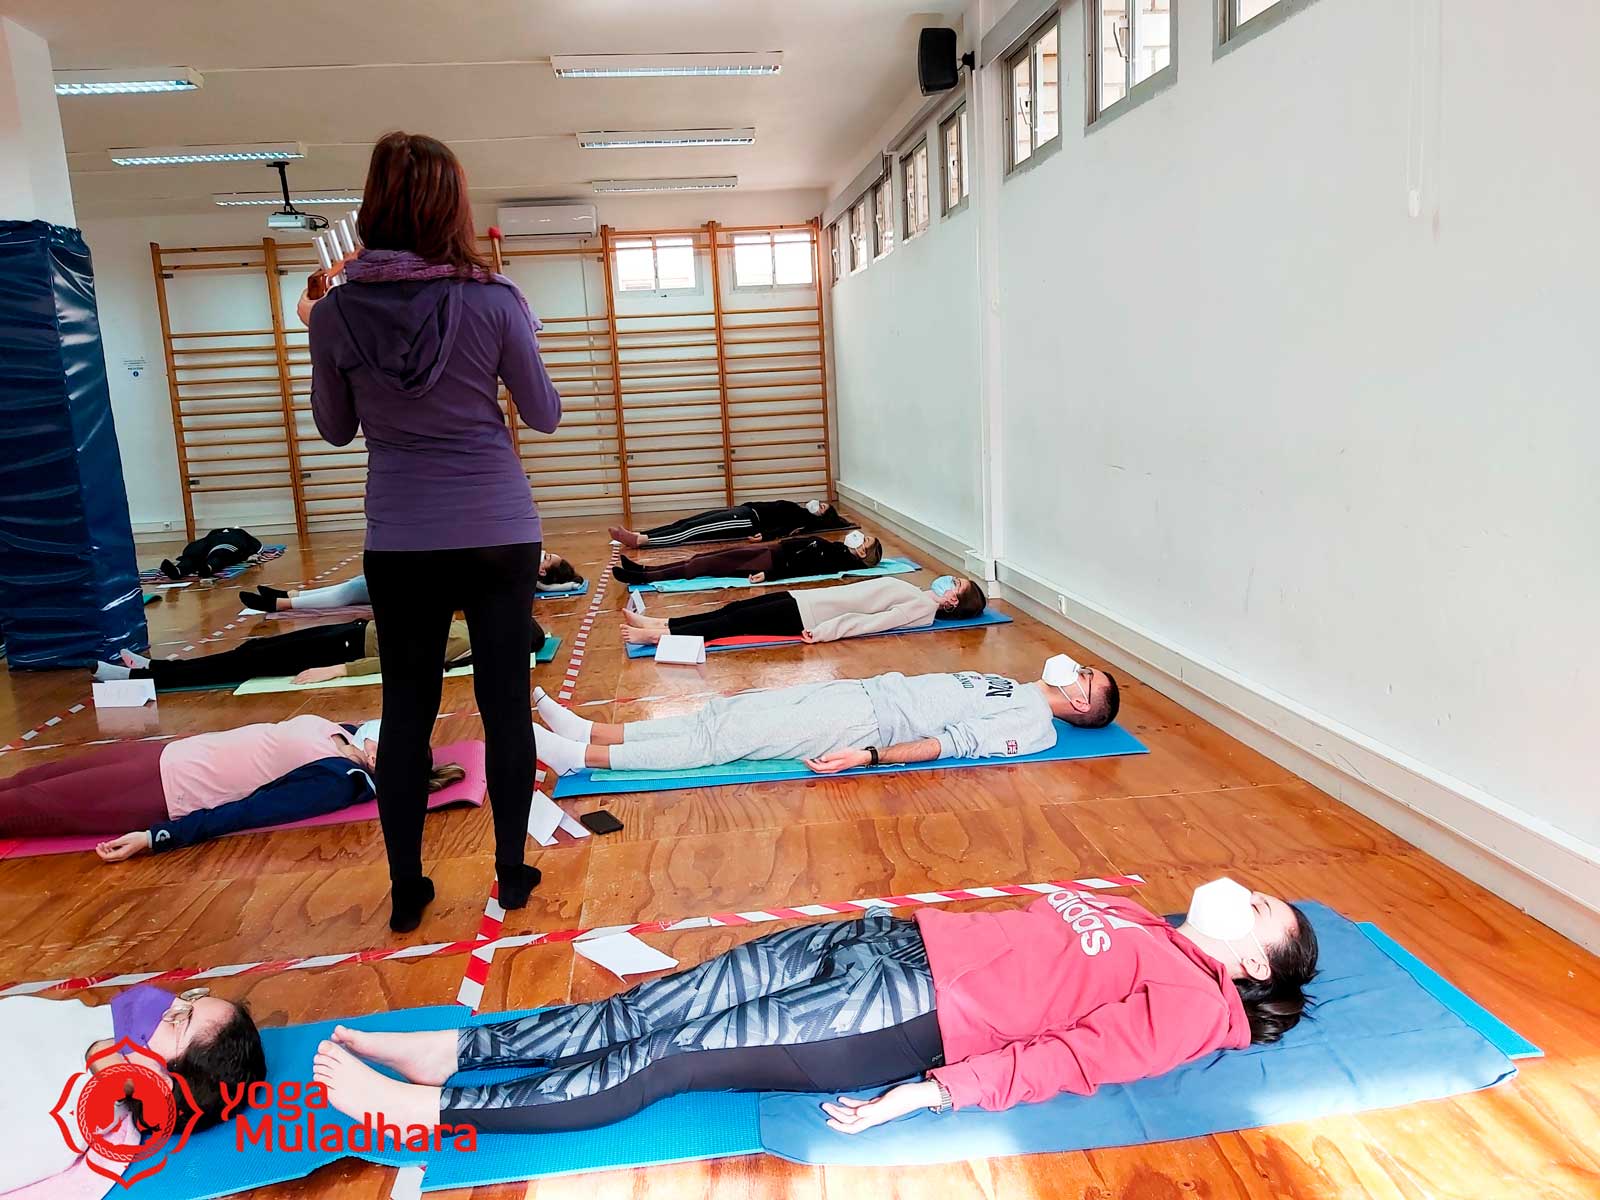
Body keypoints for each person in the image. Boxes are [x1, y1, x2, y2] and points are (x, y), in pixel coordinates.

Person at [310, 879, 1318, 1135]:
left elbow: (1073, 1060)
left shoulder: (1196, 1003)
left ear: (1250, 964)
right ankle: (455, 1050)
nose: (1244, 894)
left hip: (911, 1010)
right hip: (887, 938)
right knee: (654, 1002)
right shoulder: (1142, 920)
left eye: (1261, 911)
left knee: (670, 1054)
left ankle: (423, 1109)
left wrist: (927, 1092)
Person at [303, 131, 562, 932]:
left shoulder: (336, 311)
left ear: (373, 207)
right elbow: (545, 414)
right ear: (453, 208)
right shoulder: (495, 299)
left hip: (402, 537)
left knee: (407, 708)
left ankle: (407, 888)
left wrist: (319, 334)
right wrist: (522, 334)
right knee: (504, 704)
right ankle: (511, 871)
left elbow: (335, 429)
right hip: (497, 530)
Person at [526, 654, 1120, 777]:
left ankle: (579, 759)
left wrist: (870, 756)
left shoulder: (1035, 725)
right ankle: (592, 730)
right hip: (859, 693)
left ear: (1079, 704)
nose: (1078, 669)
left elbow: (955, 744)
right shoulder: (1015, 684)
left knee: (725, 740)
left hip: (862, 727)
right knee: (722, 712)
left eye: (1087, 677)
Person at [0, 716, 464, 861]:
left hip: (163, 790)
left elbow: (251, 811)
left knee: (20, 806)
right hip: (164, 754)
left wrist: (157, 836)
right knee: (25, 780)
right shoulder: (345, 732)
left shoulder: (339, 780)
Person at [2, 984, 267, 1193]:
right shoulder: (106, 1026)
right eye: (187, 999)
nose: (167, 1003)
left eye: (178, 1019)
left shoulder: (53, 1127)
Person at [91, 615, 545, 690]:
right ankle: (154, 667)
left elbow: (405, 661)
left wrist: (337, 670)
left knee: (245, 661)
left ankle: (140, 679)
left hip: (349, 646)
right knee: (254, 650)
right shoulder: (475, 630)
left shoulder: (468, 645)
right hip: (357, 631)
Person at [621, 574, 987, 646]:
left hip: (809, 617)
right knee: (734, 608)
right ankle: (662, 622)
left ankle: (659, 637)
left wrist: (826, 632)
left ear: (953, 602)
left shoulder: (920, 607)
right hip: (805, 600)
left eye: (956, 585)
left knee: (733, 623)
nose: (949, 580)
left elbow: (873, 623)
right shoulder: (918, 592)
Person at [238, 551, 582, 613]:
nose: (543, 553)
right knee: (353, 586)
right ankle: (290, 595)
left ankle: (283, 603)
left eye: (547, 558)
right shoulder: (519, 568)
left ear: (541, 573)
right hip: (429, 579)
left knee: (351, 591)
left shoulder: (525, 577)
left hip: (424, 590)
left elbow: (550, 588)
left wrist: (567, 585)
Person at [612, 534, 883, 587]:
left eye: (865, 541)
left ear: (862, 553)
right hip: (769, 550)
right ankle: (644, 569)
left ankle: (643, 578)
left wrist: (770, 576)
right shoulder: (838, 549)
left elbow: (802, 569)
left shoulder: (835, 559)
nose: (860, 538)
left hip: (767, 562)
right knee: (700, 558)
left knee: (699, 566)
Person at [609, 498, 852, 549]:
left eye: (822, 508)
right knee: (686, 521)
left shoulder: (804, 519)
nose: (817, 504)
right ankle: (641, 533)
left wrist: (766, 536)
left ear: (821, 517)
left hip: (745, 521)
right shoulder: (799, 509)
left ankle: (642, 541)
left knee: (692, 530)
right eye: (821, 503)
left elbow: (786, 530)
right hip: (742, 511)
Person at [157, 527, 262, 580]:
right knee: (219, 555)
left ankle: (186, 569)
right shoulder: (240, 533)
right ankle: (179, 570)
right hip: (222, 544)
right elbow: (258, 546)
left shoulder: (236, 533)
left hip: (214, 544)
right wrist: (253, 554)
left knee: (216, 554)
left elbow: (256, 546)